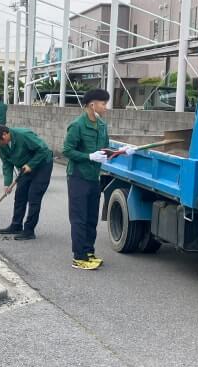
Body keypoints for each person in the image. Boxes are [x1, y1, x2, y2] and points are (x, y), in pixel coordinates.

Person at [63, 89, 134, 270]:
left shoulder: (102, 125)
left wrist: (121, 152)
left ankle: (88, 252)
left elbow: (105, 151)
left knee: (91, 218)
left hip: (95, 177)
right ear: (92, 105)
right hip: (78, 177)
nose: (105, 107)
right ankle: (78, 257)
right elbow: (67, 151)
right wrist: (88, 157)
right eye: (103, 103)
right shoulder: (77, 125)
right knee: (79, 218)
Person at [0, 124, 53, 240]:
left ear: (5, 134)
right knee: (20, 196)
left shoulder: (23, 135)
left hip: (42, 166)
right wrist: (7, 184)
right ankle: (16, 225)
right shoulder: (3, 145)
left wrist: (31, 164)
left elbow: (43, 150)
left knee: (34, 197)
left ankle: (29, 230)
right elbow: (7, 164)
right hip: (24, 168)